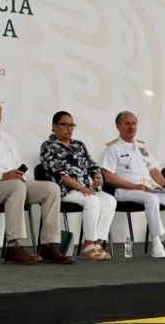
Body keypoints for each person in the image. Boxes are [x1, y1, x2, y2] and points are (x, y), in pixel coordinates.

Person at [0, 99, 73, 264]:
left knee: (51, 188)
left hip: (12, 186)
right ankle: (14, 245)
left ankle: (48, 245)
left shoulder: (8, 138)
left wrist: (19, 175)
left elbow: (17, 166)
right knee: (16, 186)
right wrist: (3, 175)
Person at [101, 111, 165, 258]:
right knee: (151, 199)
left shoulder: (141, 146)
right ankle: (157, 244)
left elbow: (153, 170)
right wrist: (135, 187)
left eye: (134, 123)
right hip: (125, 190)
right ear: (118, 126)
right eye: (127, 123)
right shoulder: (112, 148)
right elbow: (108, 176)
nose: (131, 127)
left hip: (148, 189)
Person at [39, 111, 116, 260]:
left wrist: (98, 175)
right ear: (54, 127)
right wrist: (80, 187)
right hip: (65, 190)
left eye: (71, 125)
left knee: (109, 201)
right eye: (64, 125)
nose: (69, 128)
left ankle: (97, 243)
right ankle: (88, 245)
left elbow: (92, 164)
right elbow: (59, 173)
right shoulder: (48, 146)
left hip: (85, 188)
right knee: (92, 200)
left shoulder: (78, 145)